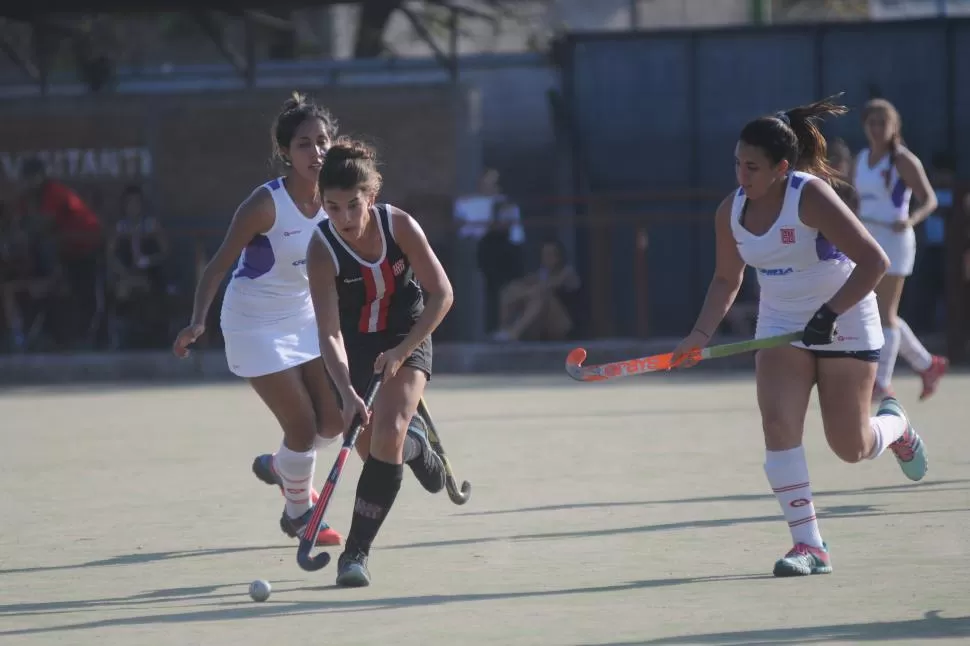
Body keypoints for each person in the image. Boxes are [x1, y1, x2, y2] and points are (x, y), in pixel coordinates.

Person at [672, 96, 928, 578]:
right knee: (778, 428)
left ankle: (895, 426)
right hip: (779, 326)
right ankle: (809, 546)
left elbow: (874, 261)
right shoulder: (731, 211)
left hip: (846, 317)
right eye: (737, 164)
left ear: (781, 167)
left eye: (752, 167)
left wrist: (830, 312)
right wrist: (698, 335)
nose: (742, 176)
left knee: (849, 446)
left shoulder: (808, 195)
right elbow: (728, 279)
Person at [172, 92, 344, 547]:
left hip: (305, 318)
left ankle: (280, 465)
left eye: (323, 141)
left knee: (334, 423)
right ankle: (299, 515)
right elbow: (218, 265)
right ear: (286, 152)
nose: (317, 151)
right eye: (305, 143)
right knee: (303, 428)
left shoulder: (337, 201)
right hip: (253, 324)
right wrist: (196, 321)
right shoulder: (265, 204)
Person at [307, 137, 451, 587]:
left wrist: (403, 350)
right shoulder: (320, 249)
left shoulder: (400, 226)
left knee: (385, 434)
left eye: (353, 204)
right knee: (374, 451)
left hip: (406, 332)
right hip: (354, 346)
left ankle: (356, 553)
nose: (344, 218)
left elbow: (442, 295)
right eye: (332, 207)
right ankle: (415, 447)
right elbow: (329, 331)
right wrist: (348, 394)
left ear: (371, 196)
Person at [849, 99, 947, 401]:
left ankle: (881, 381)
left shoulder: (903, 159)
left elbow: (928, 199)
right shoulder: (862, 158)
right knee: (876, 311)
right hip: (867, 242)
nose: (877, 129)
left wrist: (911, 219)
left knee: (885, 314)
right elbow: (855, 201)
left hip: (895, 242)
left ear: (894, 126)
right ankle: (927, 364)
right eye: (872, 123)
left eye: (883, 123)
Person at [491, 239, 581, 342]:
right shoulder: (541, 274)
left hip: (563, 323)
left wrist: (524, 294)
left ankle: (514, 332)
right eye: (544, 255)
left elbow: (546, 287)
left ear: (559, 257)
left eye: (550, 254)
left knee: (540, 296)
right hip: (543, 323)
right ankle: (504, 330)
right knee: (511, 289)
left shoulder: (567, 273)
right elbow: (525, 284)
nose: (546, 258)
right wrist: (515, 292)